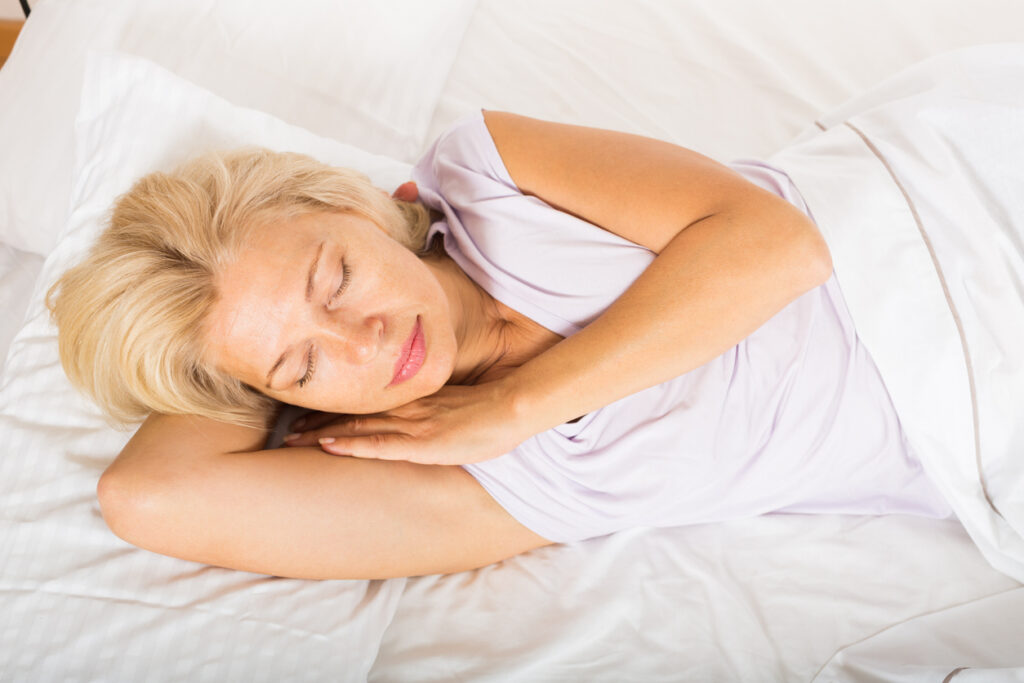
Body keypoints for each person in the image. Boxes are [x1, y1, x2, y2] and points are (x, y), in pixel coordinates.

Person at [48, 104, 959, 580]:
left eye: (335, 277)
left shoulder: (487, 173)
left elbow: (780, 246)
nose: (363, 337)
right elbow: (148, 495)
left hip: (944, 204)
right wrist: (245, 356)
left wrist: (517, 405)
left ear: (363, 208)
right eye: (304, 361)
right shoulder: (477, 488)